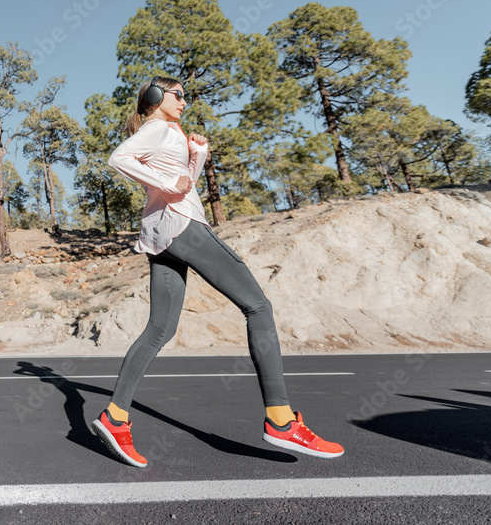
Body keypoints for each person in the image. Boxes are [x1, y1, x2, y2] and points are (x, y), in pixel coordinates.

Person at [90, 75, 344, 468]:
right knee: (258, 307)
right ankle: (280, 420)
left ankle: (115, 417)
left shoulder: (169, 133)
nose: (185, 102)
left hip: (163, 232)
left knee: (160, 329)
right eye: (179, 95)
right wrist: (166, 179)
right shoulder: (157, 128)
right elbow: (119, 158)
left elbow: (185, 182)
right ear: (157, 97)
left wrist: (197, 157)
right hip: (182, 226)